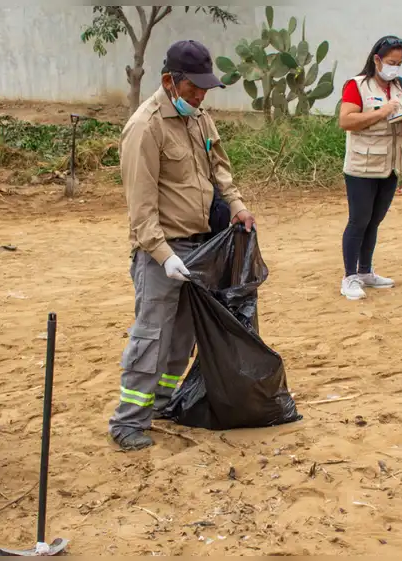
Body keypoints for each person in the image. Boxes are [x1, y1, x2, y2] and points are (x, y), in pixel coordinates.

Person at [108, 40, 256, 451]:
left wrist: (237, 206)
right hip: (162, 252)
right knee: (151, 337)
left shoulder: (200, 118)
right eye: (194, 89)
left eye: (205, 89)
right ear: (169, 81)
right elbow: (140, 208)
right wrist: (164, 255)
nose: (201, 96)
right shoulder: (145, 127)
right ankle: (127, 421)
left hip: (200, 247)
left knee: (183, 337)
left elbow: (219, 167)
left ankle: (161, 404)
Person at [336, 35, 402, 301]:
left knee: (375, 220)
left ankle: (366, 271)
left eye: (399, 63)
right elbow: (346, 121)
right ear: (376, 60)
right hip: (362, 165)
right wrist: (382, 113)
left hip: (391, 163)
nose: (395, 67)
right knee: (358, 220)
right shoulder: (356, 85)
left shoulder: (400, 85)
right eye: (391, 62)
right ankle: (349, 277)